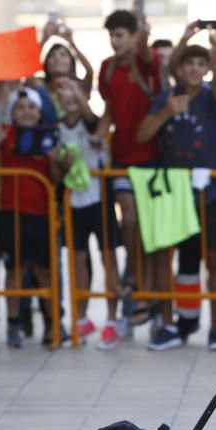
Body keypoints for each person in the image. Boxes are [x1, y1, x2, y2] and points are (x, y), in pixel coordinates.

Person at [137, 42, 216, 350]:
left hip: (212, 191)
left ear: (205, 69)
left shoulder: (214, 97)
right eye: (187, 63)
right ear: (178, 69)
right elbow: (143, 135)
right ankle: (178, 324)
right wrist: (166, 112)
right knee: (180, 262)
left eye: (199, 63)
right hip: (173, 194)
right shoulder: (166, 97)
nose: (193, 68)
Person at [0, 88, 65, 348]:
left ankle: (53, 324)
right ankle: (14, 323)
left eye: (31, 107)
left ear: (39, 112)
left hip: (41, 214)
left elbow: (58, 178)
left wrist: (54, 160)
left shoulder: (50, 136)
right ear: (13, 112)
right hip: (11, 212)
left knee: (44, 271)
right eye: (21, 107)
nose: (26, 112)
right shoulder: (5, 134)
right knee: (15, 270)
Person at [97, 8, 163, 328]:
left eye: (120, 34)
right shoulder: (107, 69)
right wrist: (97, 136)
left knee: (149, 231)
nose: (115, 41)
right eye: (112, 35)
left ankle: (143, 289)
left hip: (151, 157)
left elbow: (149, 57)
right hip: (121, 157)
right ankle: (132, 272)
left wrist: (143, 33)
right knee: (130, 216)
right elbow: (109, 110)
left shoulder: (146, 64)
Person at [54, 80, 125, 349]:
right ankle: (81, 318)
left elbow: (91, 119)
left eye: (75, 92)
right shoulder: (56, 127)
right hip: (74, 202)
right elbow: (56, 169)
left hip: (100, 200)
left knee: (109, 258)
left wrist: (77, 93)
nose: (69, 96)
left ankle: (111, 320)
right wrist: (61, 163)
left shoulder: (93, 123)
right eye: (63, 91)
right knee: (78, 259)